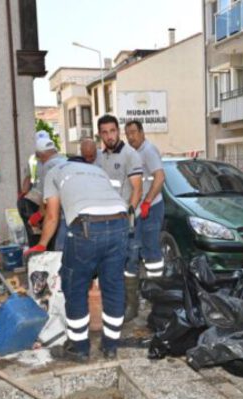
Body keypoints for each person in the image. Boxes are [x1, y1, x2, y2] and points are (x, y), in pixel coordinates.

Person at [28, 156, 129, 361]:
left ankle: (79, 348)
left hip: (87, 226)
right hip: (121, 222)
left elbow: (52, 216)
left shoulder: (54, 171)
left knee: (75, 286)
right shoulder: (97, 170)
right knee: (113, 286)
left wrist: (41, 244)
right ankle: (110, 346)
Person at [96, 115, 143, 321]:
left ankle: (131, 307)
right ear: (100, 135)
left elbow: (137, 189)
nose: (109, 136)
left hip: (126, 222)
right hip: (105, 221)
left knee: (130, 266)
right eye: (105, 132)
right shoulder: (99, 157)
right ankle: (113, 305)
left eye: (112, 131)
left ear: (118, 131)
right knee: (110, 266)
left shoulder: (130, 155)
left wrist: (128, 218)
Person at [124, 120, 165, 321]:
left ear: (142, 132)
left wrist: (148, 201)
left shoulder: (148, 150)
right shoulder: (132, 153)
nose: (130, 136)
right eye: (128, 133)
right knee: (131, 252)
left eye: (133, 132)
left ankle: (157, 300)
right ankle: (133, 303)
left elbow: (159, 177)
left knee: (151, 255)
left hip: (151, 209)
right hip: (137, 211)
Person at [26, 133, 68, 251]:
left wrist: (38, 215)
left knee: (60, 252)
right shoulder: (67, 160)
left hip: (65, 216)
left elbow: (48, 198)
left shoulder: (49, 166)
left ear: (41, 155)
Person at [17, 131, 47, 246]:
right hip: (36, 194)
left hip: (50, 195)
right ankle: (35, 242)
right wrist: (23, 193)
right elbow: (28, 178)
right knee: (23, 204)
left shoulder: (56, 159)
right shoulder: (33, 160)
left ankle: (43, 240)